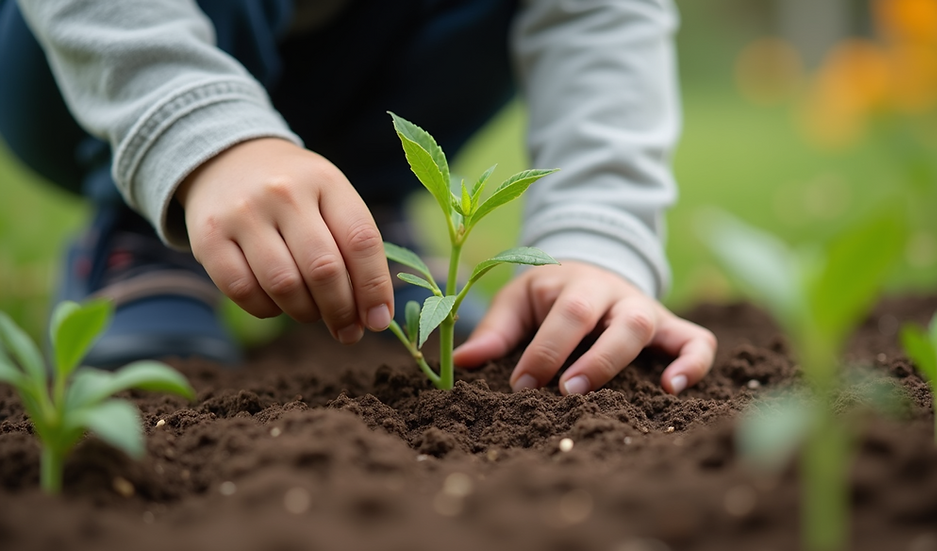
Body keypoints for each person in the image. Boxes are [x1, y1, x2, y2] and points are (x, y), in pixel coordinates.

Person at [1, 0, 716, 396]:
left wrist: (598, 241)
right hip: (102, 59)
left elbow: (598, 16)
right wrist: (202, 135)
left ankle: (358, 228)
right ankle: (147, 232)